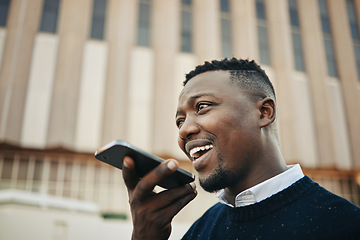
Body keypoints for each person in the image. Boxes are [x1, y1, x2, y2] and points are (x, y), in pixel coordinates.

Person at [122, 58, 360, 240]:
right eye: (180, 121)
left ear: (264, 112)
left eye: (202, 106)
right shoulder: (200, 231)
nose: (184, 131)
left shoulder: (346, 225)